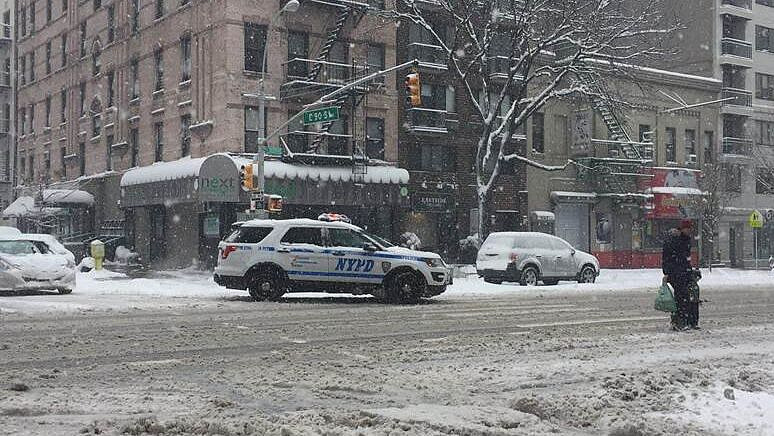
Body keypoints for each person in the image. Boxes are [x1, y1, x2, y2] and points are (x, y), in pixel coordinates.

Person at [662, 219, 697, 331]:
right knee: (682, 297)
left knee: (683, 297)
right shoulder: (675, 239)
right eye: (688, 229)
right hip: (676, 273)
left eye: (690, 229)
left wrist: (688, 270)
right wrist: (667, 272)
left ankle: (681, 321)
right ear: (683, 229)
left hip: (682, 272)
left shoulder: (685, 239)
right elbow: (668, 257)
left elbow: (685, 259)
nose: (690, 231)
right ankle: (679, 321)